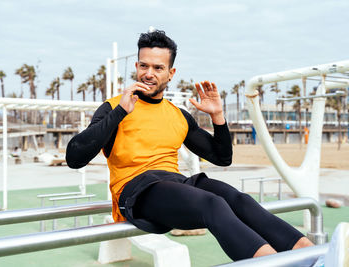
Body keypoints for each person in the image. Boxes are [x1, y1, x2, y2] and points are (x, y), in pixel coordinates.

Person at [66, 29, 314, 261]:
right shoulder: (114, 107)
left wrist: (218, 118)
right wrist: (120, 111)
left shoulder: (178, 115)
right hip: (135, 193)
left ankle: (313, 256)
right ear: (136, 66)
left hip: (174, 184)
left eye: (158, 67)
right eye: (144, 66)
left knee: (238, 200)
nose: (149, 73)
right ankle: (277, 264)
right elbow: (74, 157)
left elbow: (221, 157)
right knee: (213, 204)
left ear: (171, 73)